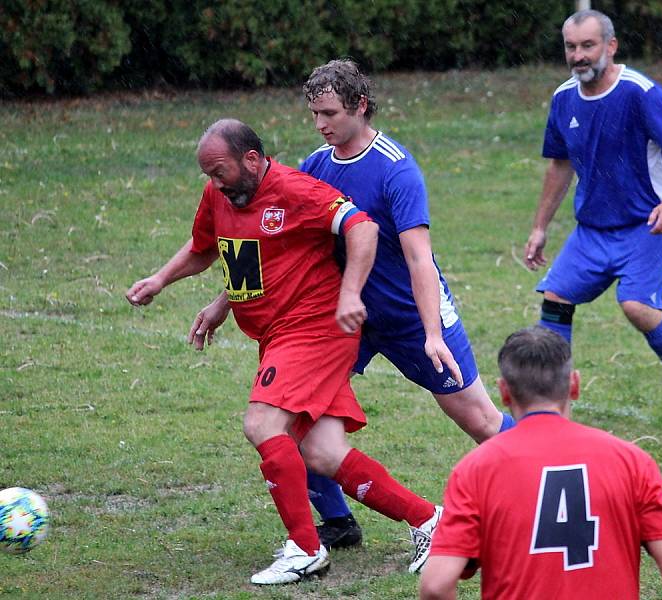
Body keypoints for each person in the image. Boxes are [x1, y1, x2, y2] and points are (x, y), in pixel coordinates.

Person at [189, 60, 514, 550]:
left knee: (479, 419)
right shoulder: (317, 165)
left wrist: (431, 334)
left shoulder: (396, 170)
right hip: (346, 319)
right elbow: (281, 247)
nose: (321, 125)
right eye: (314, 114)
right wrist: (224, 302)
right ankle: (338, 523)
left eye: (330, 113)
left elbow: (419, 258)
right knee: (296, 420)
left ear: (360, 106)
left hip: (409, 316)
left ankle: (548, 478)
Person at [126, 119, 442, 585]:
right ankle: (431, 521)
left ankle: (306, 549)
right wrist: (164, 281)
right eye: (208, 175)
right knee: (323, 451)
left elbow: (362, 227)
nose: (214, 183)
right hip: (278, 333)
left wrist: (350, 293)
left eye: (219, 171)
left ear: (251, 160)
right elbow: (207, 248)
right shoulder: (222, 195)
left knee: (262, 424)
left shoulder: (295, 190)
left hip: (313, 329)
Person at [420, 326, 662, 600]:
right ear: (575, 385)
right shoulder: (632, 461)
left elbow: (436, 585)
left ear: (505, 392)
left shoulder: (475, 471)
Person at [523, 9, 662, 430]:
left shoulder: (640, 92)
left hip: (648, 223)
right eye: (571, 47)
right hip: (593, 229)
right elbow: (559, 165)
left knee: (637, 305)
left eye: (588, 46)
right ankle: (551, 404)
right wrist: (539, 227)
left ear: (610, 46)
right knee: (556, 300)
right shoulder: (564, 97)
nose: (578, 56)